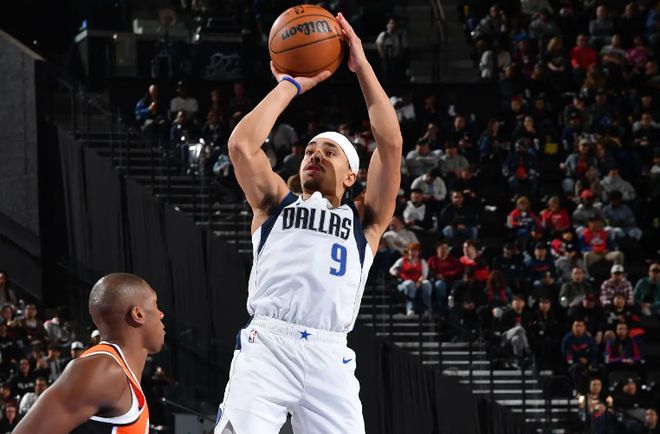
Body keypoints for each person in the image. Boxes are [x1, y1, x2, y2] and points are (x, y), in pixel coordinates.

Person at [214, 13, 402, 434]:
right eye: (311, 150)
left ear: (352, 176)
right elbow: (241, 146)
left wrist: (362, 67)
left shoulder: (366, 221)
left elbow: (390, 144)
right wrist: (291, 84)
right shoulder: (275, 203)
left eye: (330, 152)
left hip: (329, 354)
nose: (315, 155)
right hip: (269, 344)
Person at [13, 273, 165, 434]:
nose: (161, 314)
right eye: (155, 305)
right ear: (138, 314)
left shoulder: (117, 373)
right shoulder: (104, 370)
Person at [389, 243, 433, 317]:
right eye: (412, 251)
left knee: (427, 284)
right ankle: (410, 309)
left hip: (418, 282)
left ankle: (427, 309)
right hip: (404, 283)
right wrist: (395, 272)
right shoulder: (402, 260)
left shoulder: (422, 261)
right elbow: (391, 270)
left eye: (416, 251)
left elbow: (424, 275)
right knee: (410, 283)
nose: (414, 253)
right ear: (408, 251)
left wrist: (419, 282)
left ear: (418, 252)